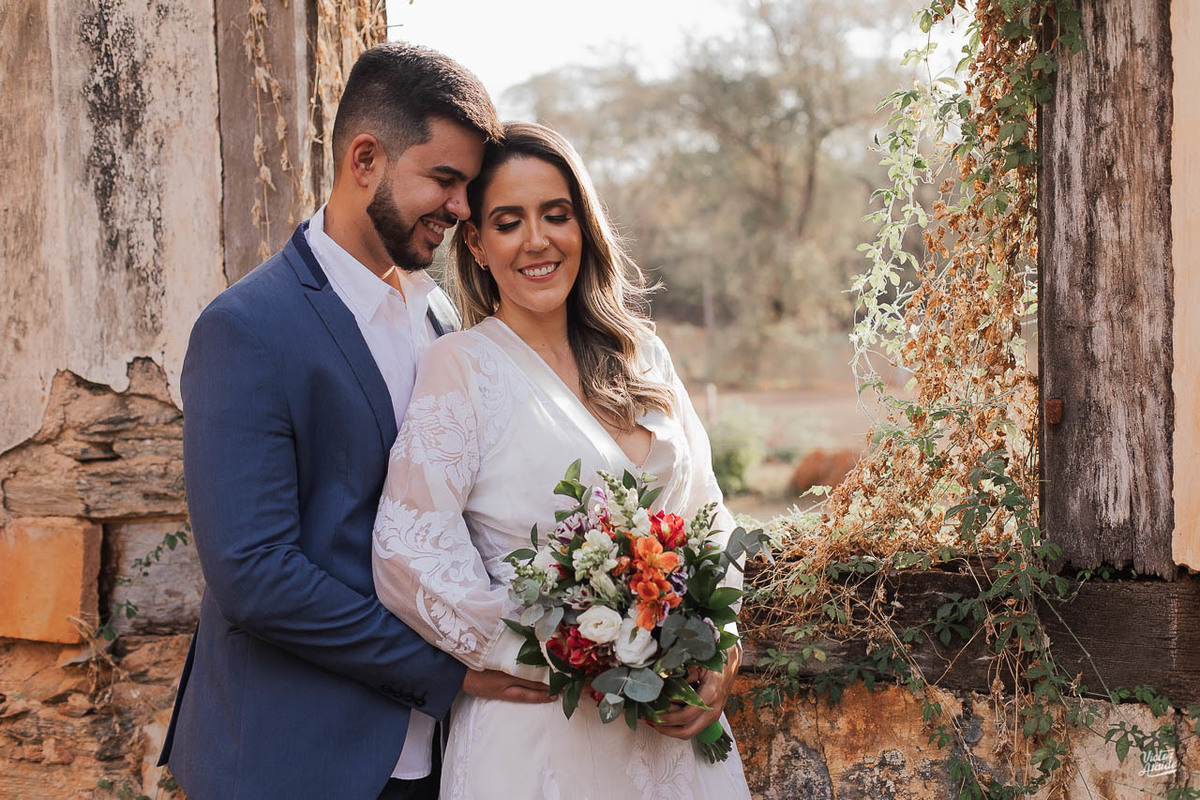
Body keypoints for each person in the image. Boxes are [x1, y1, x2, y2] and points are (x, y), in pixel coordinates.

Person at [159, 44, 553, 800]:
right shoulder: (247, 327)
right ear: (365, 159)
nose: (463, 208)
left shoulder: (439, 316)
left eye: (469, 185)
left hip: (440, 759)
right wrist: (449, 672)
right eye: (444, 179)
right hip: (294, 758)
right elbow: (254, 574)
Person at [371, 122, 753, 799]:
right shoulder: (460, 368)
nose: (537, 240)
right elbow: (408, 553)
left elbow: (709, 515)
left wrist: (719, 638)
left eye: (557, 214)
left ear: (585, 226)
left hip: (677, 735)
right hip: (542, 736)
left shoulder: (643, 355)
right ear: (479, 247)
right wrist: (578, 654)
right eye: (509, 222)